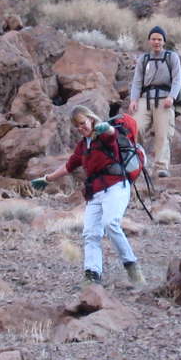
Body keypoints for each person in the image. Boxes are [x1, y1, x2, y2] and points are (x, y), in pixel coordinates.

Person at [30, 107, 143, 287]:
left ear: (91, 119)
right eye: (77, 126)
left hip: (115, 187)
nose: (80, 128)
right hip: (95, 192)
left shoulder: (103, 135)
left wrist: (105, 127)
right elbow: (68, 166)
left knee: (110, 223)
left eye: (83, 123)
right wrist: (47, 179)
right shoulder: (83, 145)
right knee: (90, 233)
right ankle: (92, 275)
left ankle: (132, 267)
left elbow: (111, 133)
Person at [128, 26, 181, 178]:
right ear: (149, 41)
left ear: (164, 41)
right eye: (153, 39)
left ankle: (160, 167)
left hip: (164, 99)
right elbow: (137, 81)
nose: (156, 42)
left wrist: (172, 96)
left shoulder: (172, 57)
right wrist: (133, 99)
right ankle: (136, 162)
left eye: (159, 39)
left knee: (162, 133)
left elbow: (177, 79)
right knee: (135, 128)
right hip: (145, 98)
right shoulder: (143, 59)